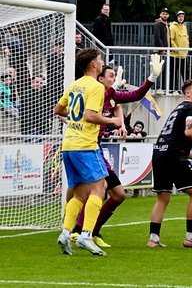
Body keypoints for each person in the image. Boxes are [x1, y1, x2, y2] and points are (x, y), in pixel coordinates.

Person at [69, 56, 163, 248]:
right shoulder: (95, 91)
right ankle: (78, 231)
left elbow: (135, 95)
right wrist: (112, 122)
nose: (114, 79)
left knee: (116, 195)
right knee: (93, 190)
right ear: (100, 78)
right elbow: (88, 112)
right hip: (87, 148)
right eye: (111, 76)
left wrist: (152, 77)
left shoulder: (110, 95)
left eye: (115, 76)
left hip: (96, 149)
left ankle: (88, 231)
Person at [54, 48, 122, 256]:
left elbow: (58, 110)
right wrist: (112, 120)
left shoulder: (75, 84)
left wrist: (75, 118)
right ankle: (86, 235)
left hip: (69, 145)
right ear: (94, 64)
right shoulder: (96, 86)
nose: (102, 63)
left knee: (80, 192)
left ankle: (65, 233)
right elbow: (92, 116)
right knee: (99, 188)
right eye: (100, 60)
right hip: (85, 144)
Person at [148, 79, 192, 249]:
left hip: (159, 153)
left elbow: (173, 140)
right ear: (187, 93)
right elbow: (189, 132)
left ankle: (153, 239)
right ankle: (191, 237)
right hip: (173, 156)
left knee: (162, 197)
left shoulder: (178, 108)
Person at [169, 10, 189, 92]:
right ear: (176, 17)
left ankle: (187, 89)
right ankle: (172, 89)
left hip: (183, 55)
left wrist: (186, 49)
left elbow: (186, 39)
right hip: (174, 55)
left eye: (182, 17)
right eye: (179, 16)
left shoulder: (184, 27)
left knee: (185, 73)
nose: (181, 18)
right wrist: (176, 49)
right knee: (173, 73)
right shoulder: (173, 26)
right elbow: (171, 39)